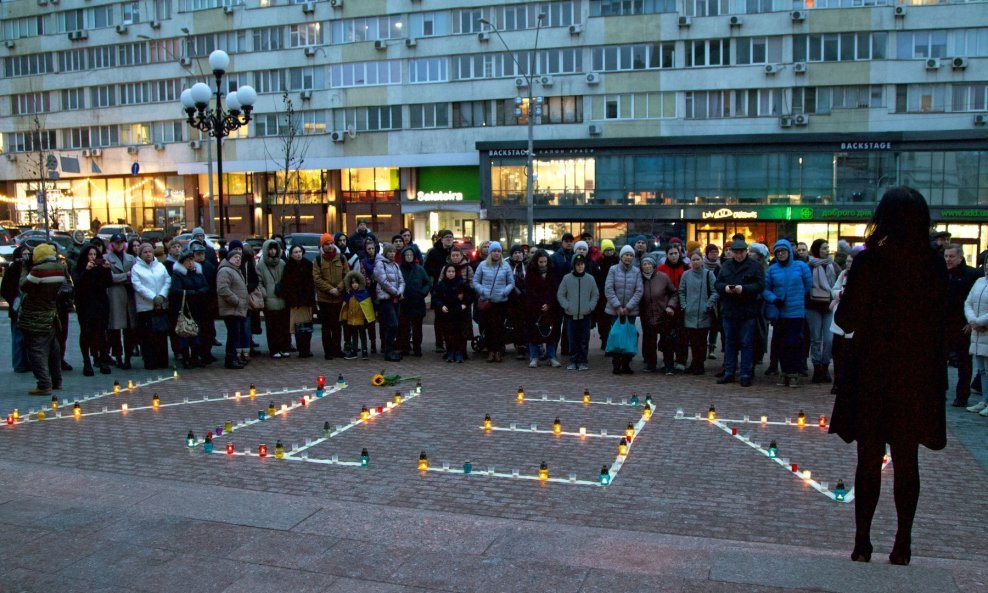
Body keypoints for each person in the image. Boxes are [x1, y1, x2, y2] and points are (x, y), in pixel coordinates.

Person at [830, 187, 947, 566]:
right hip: (916, 371)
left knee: (869, 457)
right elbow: (944, 318)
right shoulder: (932, 263)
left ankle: (862, 542)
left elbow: (844, 318)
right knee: (906, 458)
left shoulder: (869, 262)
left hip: (872, 370)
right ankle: (902, 544)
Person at [714, 239, 766, 387]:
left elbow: (760, 285)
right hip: (729, 310)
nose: (738, 255)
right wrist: (726, 288)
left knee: (746, 343)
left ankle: (745, 373)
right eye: (735, 252)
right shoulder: (726, 266)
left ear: (746, 252)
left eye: (741, 252)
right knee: (730, 343)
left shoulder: (755, 266)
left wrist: (743, 289)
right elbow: (717, 284)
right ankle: (729, 372)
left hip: (747, 310)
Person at [762, 240, 812, 387]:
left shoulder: (801, 266)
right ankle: (784, 373)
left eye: (784, 251)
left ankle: (794, 374)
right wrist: (774, 299)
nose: (781, 254)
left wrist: (798, 298)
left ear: (790, 252)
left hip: (796, 312)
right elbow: (765, 289)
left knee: (794, 343)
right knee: (782, 344)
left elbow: (808, 287)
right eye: (778, 252)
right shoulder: (772, 269)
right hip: (780, 313)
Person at [18, 244, 67, 395]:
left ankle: (44, 384)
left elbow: (24, 285)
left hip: (35, 318)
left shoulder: (38, 270)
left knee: (36, 350)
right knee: (53, 349)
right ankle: (57, 381)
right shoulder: (60, 268)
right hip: (51, 315)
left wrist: (25, 268)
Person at [944, 243, 981, 407]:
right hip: (944, 324)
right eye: (946, 256)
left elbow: (975, 301)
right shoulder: (942, 274)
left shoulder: (972, 275)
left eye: (951, 256)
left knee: (964, 363)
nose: (948, 260)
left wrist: (970, 321)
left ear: (960, 257)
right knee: (940, 361)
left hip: (962, 325)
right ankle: (941, 392)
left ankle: (962, 396)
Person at [472, 241, 515, 362]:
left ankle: (498, 351)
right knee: (489, 328)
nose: (496, 253)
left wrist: (504, 292)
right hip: (488, 302)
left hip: (501, 302)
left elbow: (511, 283)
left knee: (500, 327)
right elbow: (475, 282)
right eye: (494, 251)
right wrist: (483, 291)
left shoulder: (505, 266)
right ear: (490, 252)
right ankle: (490, 351)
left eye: (498, 251)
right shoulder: (482, 265)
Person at [131, 242, 171, 370]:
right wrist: (153, 297)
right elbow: (138, 286)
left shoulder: (160, 266)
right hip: (145, 307)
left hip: (160, 306)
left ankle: (163, 361)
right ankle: (150, 362)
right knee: (148, 336)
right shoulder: (136, 268)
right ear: (140, 254)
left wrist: (162, 296)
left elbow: (167, 280)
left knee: (161, 334)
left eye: (150, 252)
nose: (148, 254)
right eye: (145, 252)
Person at [74, 244, 113, 376]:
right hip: (85, 304)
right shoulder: (79, 267)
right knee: (86, 332)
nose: (93, 257)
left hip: (101, 303)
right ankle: (87, 362)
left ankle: (103, 360)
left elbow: (109, 283)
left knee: (102, 332)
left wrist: (107, 269)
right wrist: (86, 270)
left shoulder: (101, 268)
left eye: (95, 255)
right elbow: (78, 284)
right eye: (90, 255)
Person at [604, 245, 644, 375]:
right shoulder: (613, 269)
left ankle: (626, 363)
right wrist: (617, 306)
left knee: (630, 336)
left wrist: (628, 307)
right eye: (626, 254)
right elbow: (609, 289)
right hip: (614, 311)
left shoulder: (637, 271)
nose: (628, 257)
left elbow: (639, 290)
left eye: (631, 255)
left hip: (630, 311)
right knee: (617, 336)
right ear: (621, 256)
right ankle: (616, 364)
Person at [556, 253, 599, 371]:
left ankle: (583, 361)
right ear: (573, 266)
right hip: (571, 316)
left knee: (584, 339)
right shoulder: (567, 279)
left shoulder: (590, 279)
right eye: (577, 264)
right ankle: (573, 360)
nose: (580, 267)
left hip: (585, 315)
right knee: (572, 339)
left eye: (582, 264)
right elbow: (561, 294)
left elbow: (595, 294)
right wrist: (567, 306)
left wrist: (590, 307)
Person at [679, 250, 718, 375]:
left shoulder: (709, 275)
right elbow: (681, 291)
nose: (696, 262)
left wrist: (708, 305)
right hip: (690, 313)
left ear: (702, 260)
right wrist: (684, 305)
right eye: (693, 259)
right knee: (693, 341)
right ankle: (694, 363)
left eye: (698, 259)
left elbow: (715, 291)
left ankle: (699, 364)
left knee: (702, 341)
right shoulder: (686, 274)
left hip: (704, 313)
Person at [168, 249, 209, 369]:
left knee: (197, 333)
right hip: (184, 308)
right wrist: (191, 293)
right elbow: (176, 290)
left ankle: (195, 357)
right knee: (185, 333)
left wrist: (200, 291)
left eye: (192, 260)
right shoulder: (178, 274)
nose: (191, 263)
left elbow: (205, 285)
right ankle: (186, 358)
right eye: (187, 261)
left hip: (198, 307)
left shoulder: (198, 272)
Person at [638, 255, 678, 375]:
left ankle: (669, 365)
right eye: (644, 264)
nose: (647, 266)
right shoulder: (639, 279)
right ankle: (651, 364)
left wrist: (670, 306)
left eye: (649, 264)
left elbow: (674, 293)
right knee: (650, 342)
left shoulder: (663, 277)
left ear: (654, 265)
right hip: (647, 316)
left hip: (663, 315)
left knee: (667, 342)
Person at [807, 239, 839, 384]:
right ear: (817, 250)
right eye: (824, 248)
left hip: (828, 306)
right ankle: (817, 368)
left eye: (828, 247)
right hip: (813, 305)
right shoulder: (809, 265)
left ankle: (825, 366)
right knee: (815, 339)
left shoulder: (833, 265)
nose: (827, 250)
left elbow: (838, 283)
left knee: (828, 339)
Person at [313, 233, 350, 360]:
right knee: (326, 326)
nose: (330, 246)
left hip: (338, 298)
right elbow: (317, 279)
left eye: (331, 243)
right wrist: (330, 289)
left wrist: (339, 288)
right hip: (324, 299)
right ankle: (328, 351)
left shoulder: (341, 258)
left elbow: (347, 275)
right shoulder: (318, 259)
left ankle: (337, 349)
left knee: (337, 326)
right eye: (327, 244)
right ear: (322, 246)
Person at [524, 249, 563, 368]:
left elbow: (555, 289)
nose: (542, 264)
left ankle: (552, 357)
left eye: (544, 261)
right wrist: (539, 304)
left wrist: (549, 304)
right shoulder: (530, 272)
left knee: (551, 333)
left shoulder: (552, 272)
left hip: (550, 307)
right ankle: (534, 357)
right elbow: (529, 290)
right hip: (534, 307)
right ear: (536, 261)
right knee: (533, 333)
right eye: (540, 262)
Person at [105, 233, 138, 370]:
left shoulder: (131, 258)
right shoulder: (106, 258)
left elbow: (136, 275)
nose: (119, 245)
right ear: (112, 243)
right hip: (115, 296)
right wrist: (126, 276)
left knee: (130, 330)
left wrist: (126, 277)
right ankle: (118, 357)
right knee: (115, 330)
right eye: (117, 242)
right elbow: (109, 278)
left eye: (122, 243)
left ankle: (128, 357)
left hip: (129, 296)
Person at [257, 239, 290, 358]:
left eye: (274, 248)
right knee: (272, 326)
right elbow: (259, 282)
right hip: (270, 299)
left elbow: (287, 279)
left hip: (282, 298)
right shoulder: (261, 264)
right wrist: (265, 294)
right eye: (270, 249)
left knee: (283, 325)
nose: (272, 251)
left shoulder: (282, 263)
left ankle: (284, 347)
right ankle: (274, 348)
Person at [2, 245, 32, 373]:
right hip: (17, 308)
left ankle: (28, 362)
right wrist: (13, 300)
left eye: (28, 254)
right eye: (23, 254)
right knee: (18, 337)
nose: (26, 257)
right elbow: (5, 289)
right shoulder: (13, 269)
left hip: (29, 308)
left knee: (28, 338)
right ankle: (19, 364)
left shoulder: (31, 268)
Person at [373, 243, 405, 362]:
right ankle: (388, 351)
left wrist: (400, 292)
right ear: (385, 253)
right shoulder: (380, 264)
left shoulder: (396, 265)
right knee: (392, 325)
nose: (392, 254)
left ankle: (391, 350)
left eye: (393, 252)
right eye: (390, 251)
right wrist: (396, 293)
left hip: (396, 299)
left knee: (394, 326)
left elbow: (402, 281)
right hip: (386, 299)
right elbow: (383, 281)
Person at [964, 259, 988, 416]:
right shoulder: (979, 281)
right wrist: (972, 320)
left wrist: (979, 321)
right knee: (982, 370)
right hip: (978, 332)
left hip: (985, 328)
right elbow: (968, 302)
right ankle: (985, 400)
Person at [283, 243, 316, 358]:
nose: (298, 254)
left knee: (307, 326)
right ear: (291, 254)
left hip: (307, 301)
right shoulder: (288, 266)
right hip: (295, 302)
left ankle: (307, 348)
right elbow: (287, 285)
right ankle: (301, 349)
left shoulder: (308, 264)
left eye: (299, 252)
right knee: (298, 327)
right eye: (295, 252)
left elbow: (312, 283)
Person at [216, 250, 248, 369]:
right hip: (231, 309)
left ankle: (234, 358)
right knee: (233, 335)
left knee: (235, 335)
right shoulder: (225, 270)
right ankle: (230, 360)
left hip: (237, 309)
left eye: (239, 257)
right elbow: (223, 289)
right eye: (235, 257)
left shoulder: (234, 270)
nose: (238, 259)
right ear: (229, 258)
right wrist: (237, 301)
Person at [434, 264, 471, 363]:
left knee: (459, 332)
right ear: (445, 273)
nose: (451, 274)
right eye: (449, 271)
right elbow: (436, 297)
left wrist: (464, 304)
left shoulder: (461, 283)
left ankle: (459, 352)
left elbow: (471, 294)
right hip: (447, 312)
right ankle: (450, 351)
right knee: (447, 333)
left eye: (453, 271)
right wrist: (441, 305)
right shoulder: (441, 284)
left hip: (458, 312)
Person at [398, 246, 431, 357]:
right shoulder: (399, 269)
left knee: (417, 328)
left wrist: (423, 292)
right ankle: (405, 347)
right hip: (404, 303)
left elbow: (427, 283)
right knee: (404, 327)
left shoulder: (419, 269)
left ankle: (417, 347)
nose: (409, 257)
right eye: (407, 255)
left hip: (417, 302)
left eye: (411, 255)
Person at [191, 241, 218, 364]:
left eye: (202, 253)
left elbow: (214, 284)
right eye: (198, 254)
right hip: (196, 303)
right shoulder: (191, 267)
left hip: (209, 302)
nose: (200, 256)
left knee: (209, 330)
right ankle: (198, 354)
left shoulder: (209, 266)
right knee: (198, 331)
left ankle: (207, 352)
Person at [341, 270, 375, 360]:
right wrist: (345, 316)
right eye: (352, 283)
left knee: (363, 335)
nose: (354, 285)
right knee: (354, 335)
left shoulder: (364, 294)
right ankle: (354, 351)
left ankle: (364, 351)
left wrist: (366, 318)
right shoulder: (349, 295)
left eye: (356, 283)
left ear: (360, 283)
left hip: (361, 319)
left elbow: (367, 308)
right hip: (352, 319)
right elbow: (346, 307)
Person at [593, 240, 618, 352]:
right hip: (602, 296)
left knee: (614, 321)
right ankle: (604, 340)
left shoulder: (618, 261)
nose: (609, 252)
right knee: (603, 322)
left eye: (611, 250)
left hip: (615, 295)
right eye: (606, 250)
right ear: (603, 251)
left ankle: (614, 342)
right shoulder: (598, 262)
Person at [506, 244, 528, 359]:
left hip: (527, 299)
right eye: (515, 253)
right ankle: (520, 347)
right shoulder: (507, 266)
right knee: (517, 324)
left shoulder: (528, 265)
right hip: (513, 300)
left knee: (527, 324)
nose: (518, 255)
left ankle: (528, 345)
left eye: (519, 252)